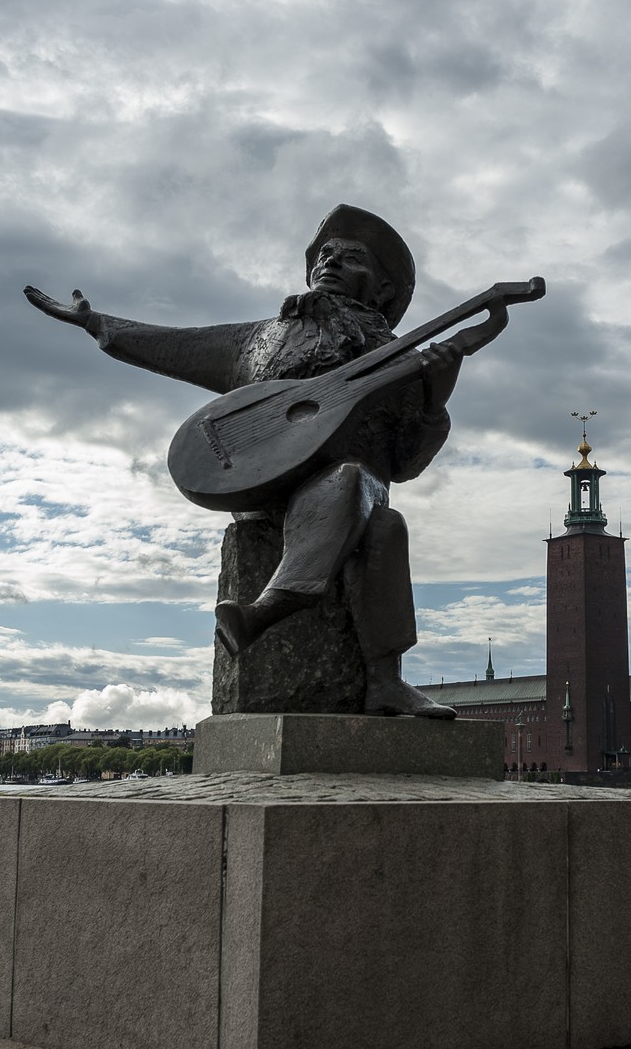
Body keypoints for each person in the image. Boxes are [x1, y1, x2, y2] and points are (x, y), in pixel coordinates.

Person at [25, 204, 461, 717]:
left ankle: (376, 678)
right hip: (264, 490)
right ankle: (303, 626)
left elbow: (405, 464)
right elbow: (172, 345)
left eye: (353, 258)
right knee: (357, 491)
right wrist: (97, 323)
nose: (332, 262)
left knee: (381, 519)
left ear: (384, 291)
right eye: (325, 254)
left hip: (354, 495)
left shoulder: (400, 359)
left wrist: (434, 400)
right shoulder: (260, 339)